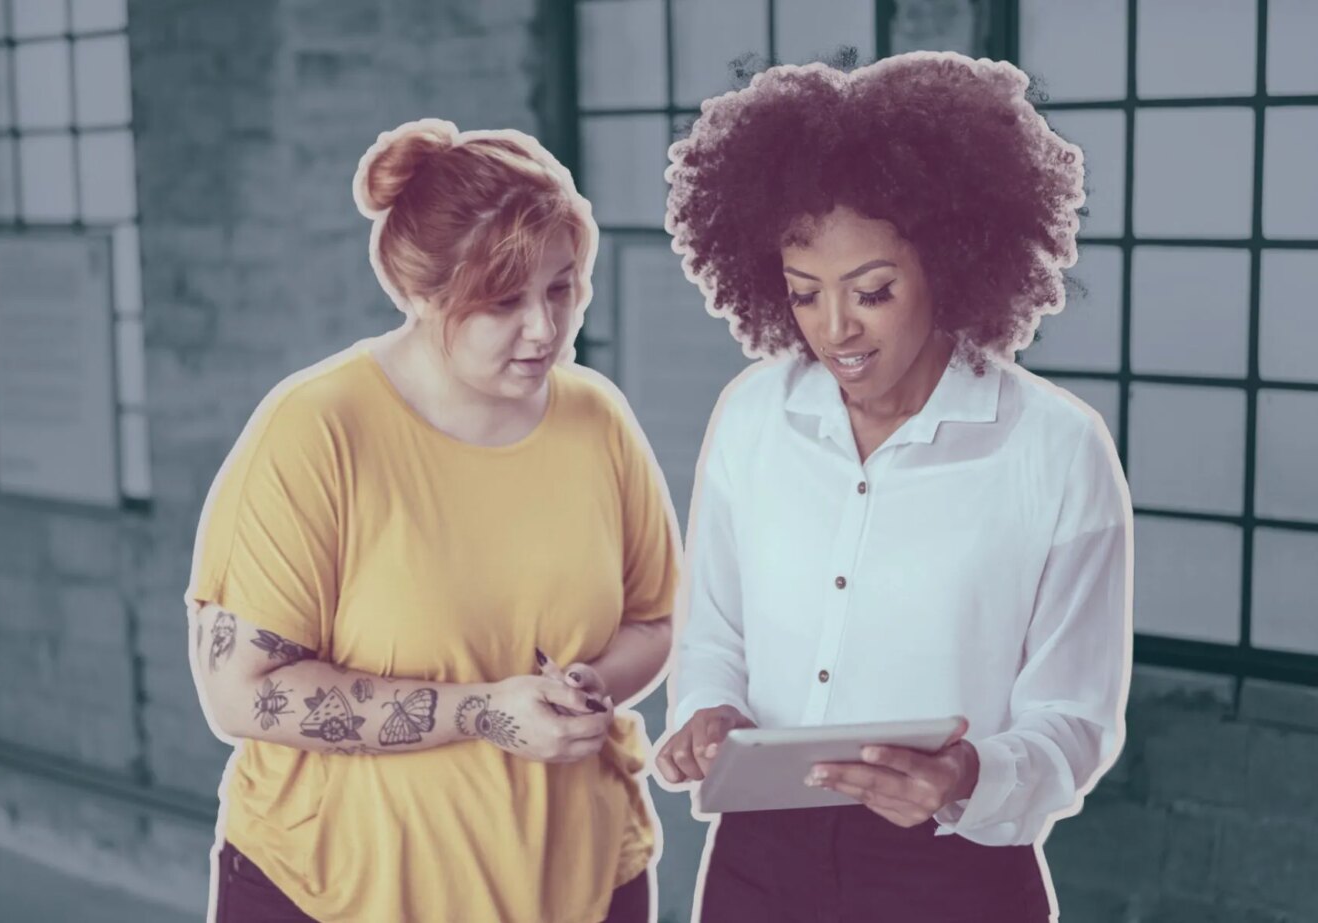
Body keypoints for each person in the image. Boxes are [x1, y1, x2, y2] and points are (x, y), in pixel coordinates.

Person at [654, 52, 1133, 922]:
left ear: (949, 261)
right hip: (758, 862)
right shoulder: (754, 415)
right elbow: (715, 632)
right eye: (804, 294)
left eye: (872, 291)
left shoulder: (1058, 450)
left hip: (953, 870)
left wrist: (966, 775)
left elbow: (1074, 718)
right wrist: (708, 711)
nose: (835, 329)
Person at [184, 118, 678, 923]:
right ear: (420, 294)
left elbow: (655, 620)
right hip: (340, 893)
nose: (544, 329)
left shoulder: (598, 418)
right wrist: (483, 710)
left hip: (581, 882)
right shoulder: (317, 429)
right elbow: (240, 695)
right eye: (503, 301)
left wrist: (593, 682)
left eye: (560, 288)